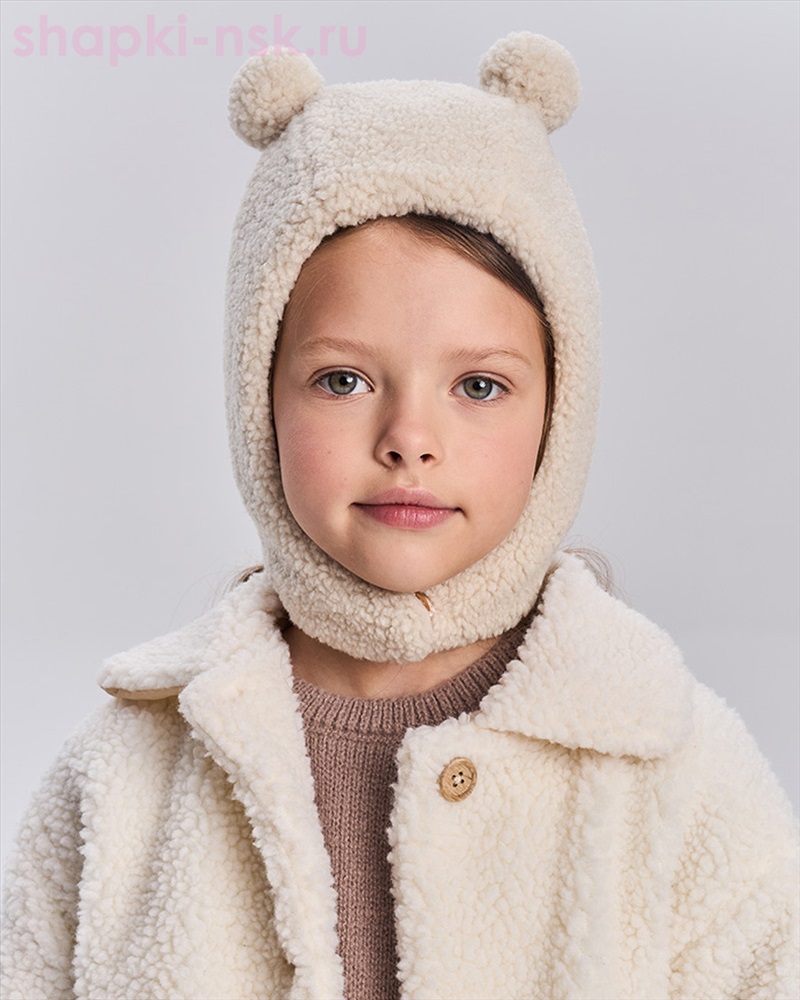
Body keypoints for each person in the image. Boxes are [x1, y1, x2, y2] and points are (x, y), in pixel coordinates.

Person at [1, 32, 797, 1000]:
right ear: (257, 398)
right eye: (342, 379)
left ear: (561, 409)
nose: (409, 439)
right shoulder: (122, 776)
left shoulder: (672, 766)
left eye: (478, 385)